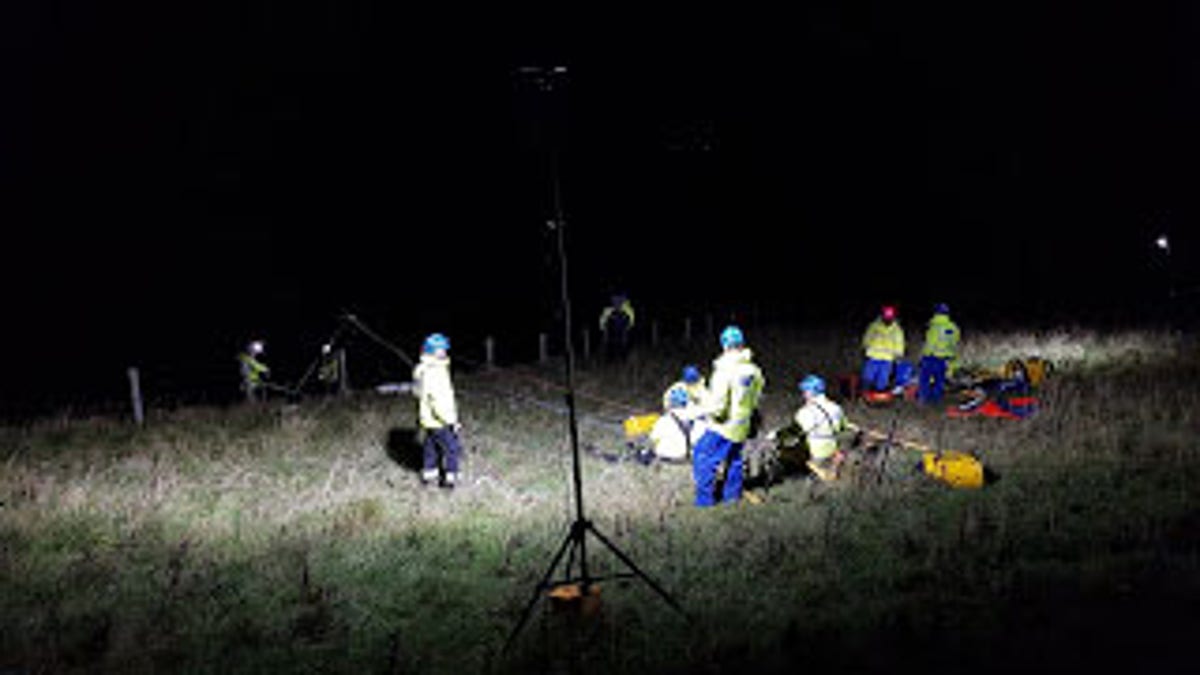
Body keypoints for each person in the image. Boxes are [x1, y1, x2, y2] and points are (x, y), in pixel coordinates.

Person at [692, 325, 765, 507]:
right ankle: (731, 497)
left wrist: (703, 412)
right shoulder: (754, 370)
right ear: (741, 344)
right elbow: (755, 399)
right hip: (742, 425)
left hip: (723, 427)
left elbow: (718, 407)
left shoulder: (724, 370)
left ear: (724, 345)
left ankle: (704, 501)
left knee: (702, 455)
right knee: (734, 460)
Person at [412, 333, 462, 488]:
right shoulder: (436, 371)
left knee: (431, 447)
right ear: (431, 351)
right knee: (452, 449)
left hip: (428, 420)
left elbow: (417, 392)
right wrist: (451, 421)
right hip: (440, 420)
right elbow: (439, 401)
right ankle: (450, 479)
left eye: (445, 349)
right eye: (440, 350)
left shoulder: (423, 369)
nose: (444, 352)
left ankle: (429, 475)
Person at [794, 374, 855, 482]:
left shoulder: (804, 412)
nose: (803, 394)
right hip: (832, 447)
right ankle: (834, 462)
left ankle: (816, 470)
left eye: (804, 392)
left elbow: (795, 432)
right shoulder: (836, 407)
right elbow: (843, 426)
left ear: (809, 393)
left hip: (815, 451)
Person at [918, 303, 961, 404]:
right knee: (939, 380)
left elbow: (930, 343)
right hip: (944, 359)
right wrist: (953, 360)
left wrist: (923, 356)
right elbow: (954, 344)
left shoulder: (933, 326)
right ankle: (936, 400)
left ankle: (923, 399)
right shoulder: (953, 327)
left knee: (925, 379)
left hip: (931, 357)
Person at [648, 387, 705, 463]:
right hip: (688, 455)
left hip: (667, 456)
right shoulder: (697, 420)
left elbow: (653, 438)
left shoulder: (664, 419)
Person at [861, 305, 905, 394]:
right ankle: (865, 394)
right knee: (867, 377)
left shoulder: (897, 330)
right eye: (886, 317)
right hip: (873, 356)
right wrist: (865, 348)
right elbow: (867, 338)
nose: (887, 320)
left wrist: (899, 355)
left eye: (890, 318)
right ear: (882, 316)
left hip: (887, 358)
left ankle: (878, 398)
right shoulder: (874, 326)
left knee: (882, 380)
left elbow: (899, 343)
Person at [598, 293, 636, 361]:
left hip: (622, 327)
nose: (617, 304)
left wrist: (629, 326)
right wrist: (603, 328)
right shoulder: (609, 309)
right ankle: (611, 359)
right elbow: (603, 319)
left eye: (619, 302)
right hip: (612, 328)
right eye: (615, 302)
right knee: (611, 344)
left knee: (623, 343)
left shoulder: (626, 308)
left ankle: (623, 358)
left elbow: (631, 316)